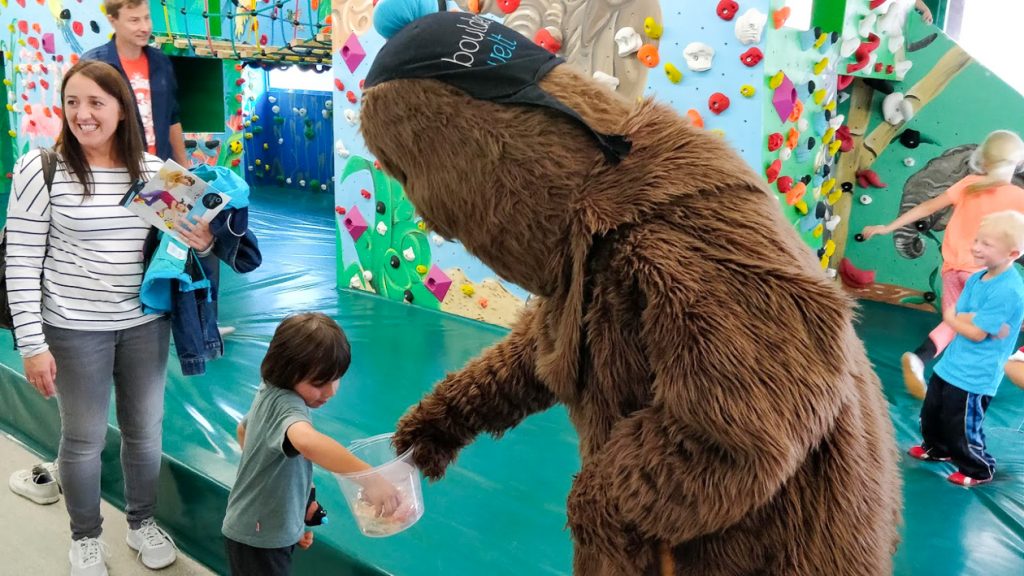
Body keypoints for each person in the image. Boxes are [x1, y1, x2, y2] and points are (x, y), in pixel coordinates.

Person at [5, 60, 217, 575]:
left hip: (144, 324)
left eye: (96, 102)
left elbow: (191, 249)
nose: (83, 114)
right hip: (73, 328)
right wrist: (33, 345)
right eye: (72, 102)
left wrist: (204, 239)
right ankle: (86, 538)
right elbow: (21, 260)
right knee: (83, 439)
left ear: (122, 109)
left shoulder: (151, 172)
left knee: (146, 431)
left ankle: (141, 523)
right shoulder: (42, 169)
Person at [221, 313, 404, 576]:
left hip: (266, 528)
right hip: (257, 538)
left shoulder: (270, 390)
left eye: (336, 378)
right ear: (285, 371)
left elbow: (244, 430)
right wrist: (371, 479)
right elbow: (307, 442)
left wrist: (291, 516)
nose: (330, 391)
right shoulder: (287, 408)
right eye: (319, 383)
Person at [860, 130, 1024, 399]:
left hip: (951, 268)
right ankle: (944, 372)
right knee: (983, 324)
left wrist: (887, 226)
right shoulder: (1017, 197)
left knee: (956, 322)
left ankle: (921, 359)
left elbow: (926, 207)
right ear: (1017, 164)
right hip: (983, 273)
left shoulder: (969, 184)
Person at [907, 210, 1024, 487]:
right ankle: (937, 449)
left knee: (961, 426)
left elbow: (972, 331)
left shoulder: (1008, 290)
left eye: (987, 245)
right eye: (977, 240)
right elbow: (964, 313)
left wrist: (954, 319)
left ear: (1012, 253)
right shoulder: (977, 278)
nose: (976, 248)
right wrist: (963, 318)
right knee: (931, 412)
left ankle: (978, 468)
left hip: (976, 376)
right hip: (952, 365)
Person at [83, 0, 187, 165]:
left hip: (160, 169)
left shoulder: (161, 62)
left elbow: (172, 119)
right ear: (113, 21)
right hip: (116, 171)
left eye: (147, 18)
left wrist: (185, 169)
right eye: (134, 20)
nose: (145, 27)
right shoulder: (94, 64)